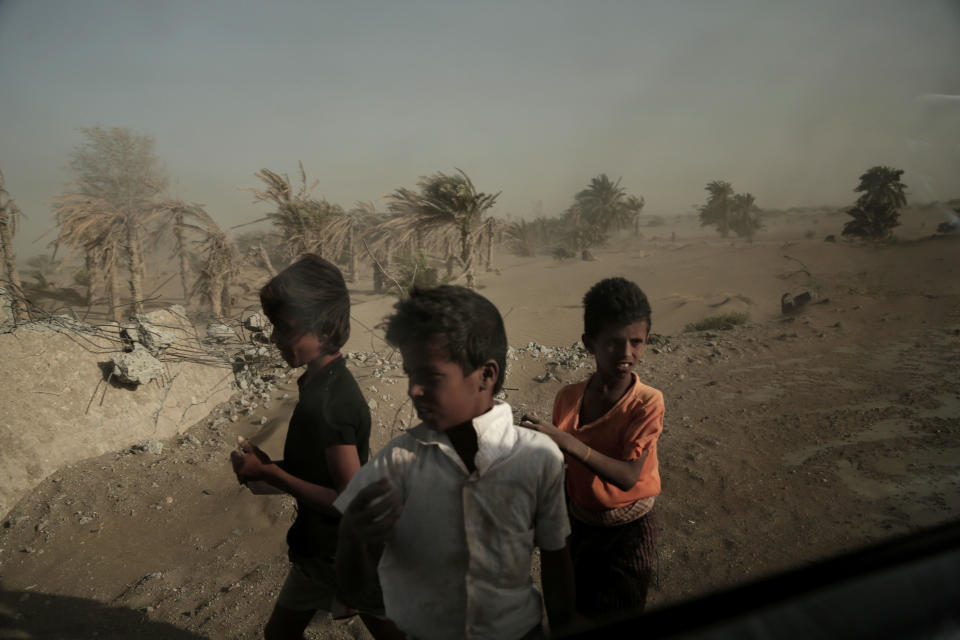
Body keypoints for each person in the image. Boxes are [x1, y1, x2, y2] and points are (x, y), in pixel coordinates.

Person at [333, 285, 576, 639]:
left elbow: (556, 563)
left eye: (429, 376)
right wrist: (351, 537)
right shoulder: (395, 464)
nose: (413, 390)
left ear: (486, 376)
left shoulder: (537, 458)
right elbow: (354, 591)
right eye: (410, 373)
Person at [229, 254, 395, 640]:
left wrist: (271, 474)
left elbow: (347, 499)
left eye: (285, 328)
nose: (274, 338)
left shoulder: (333, 402)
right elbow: (318, 472)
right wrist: (265, 469)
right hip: (316, 552)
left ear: (322, 329)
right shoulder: (317, 386)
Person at [521, 277, 663, 618]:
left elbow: (628, 477)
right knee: (577, 606)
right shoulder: (568, 398)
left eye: (636, 342)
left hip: (627, 530)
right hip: (579, 521)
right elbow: (563, 468)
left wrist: (567, 441)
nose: (627, 353)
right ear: (589, 342)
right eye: (614, 343)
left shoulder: (646, 402)